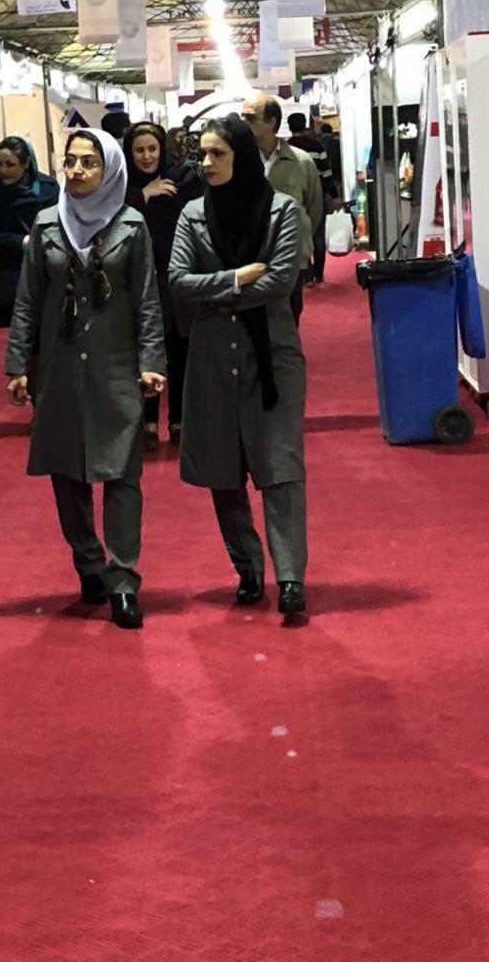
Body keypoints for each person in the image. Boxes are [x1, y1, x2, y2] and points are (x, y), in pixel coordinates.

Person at [4, 129, 166, 630]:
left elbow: (147, 299)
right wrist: (18, 365)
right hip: (59, 367)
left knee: (122, 475)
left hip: (116, 366)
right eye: (70, 162)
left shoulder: (131, 225)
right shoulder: (47, 223)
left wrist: (152, 360)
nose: (75, 171)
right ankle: (89, 562)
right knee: (67, 472)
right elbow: (28, 300)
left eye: (88, 162)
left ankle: (123, 579)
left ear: (109, 169)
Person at [169, 113, 308, 615]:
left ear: (242, 156)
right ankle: (248, 569)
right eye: (202, 154)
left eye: (218, 154)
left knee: (280, 468)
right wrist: (234, 279)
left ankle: (290, 578)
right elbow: (177, 281)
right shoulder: (192, 215)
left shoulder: (281, 211)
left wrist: (215, 292)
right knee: (222, 470)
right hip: (211, 358)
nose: (206, 163)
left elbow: (281, 281)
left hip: (272, 358)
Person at [123, 121, 203, 446]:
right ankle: (147, 419)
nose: (146, 156)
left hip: (176, 279)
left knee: (180, 348)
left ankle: (179, 419)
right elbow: (112, 221)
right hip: (138, 281)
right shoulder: (120, 186)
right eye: (139, 150)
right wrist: (143, 195)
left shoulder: (183, 180)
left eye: (152, 149)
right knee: (144, 349)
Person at [241, 94, 322, 324]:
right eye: (242, 117)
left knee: (288, 319)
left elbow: (314, 208)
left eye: (251, 118)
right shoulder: (237, 162)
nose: (244, 123)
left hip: (290, 258)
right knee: (253, 323)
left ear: (272, 122)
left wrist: (298, 238)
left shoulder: (301, 162)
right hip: (249, 258)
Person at [0, 136, 59, 328]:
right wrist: (21, 241)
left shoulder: (48, 189)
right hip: (7, 274)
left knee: (47, 331)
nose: (3, 170)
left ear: (26, 163)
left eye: (10, 164)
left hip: (44, 271)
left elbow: (59, 227)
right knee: (11, 336)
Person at [287, 111, 338, 286]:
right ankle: (319, 274)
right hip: (317, 194)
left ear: (289, 127)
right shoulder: (317, 147)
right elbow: (326, 173)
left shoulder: (286, 148)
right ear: (305, 126)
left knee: (300, 234)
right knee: (318, 233)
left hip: (295, 196)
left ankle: (307, 275)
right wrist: (333, 195)